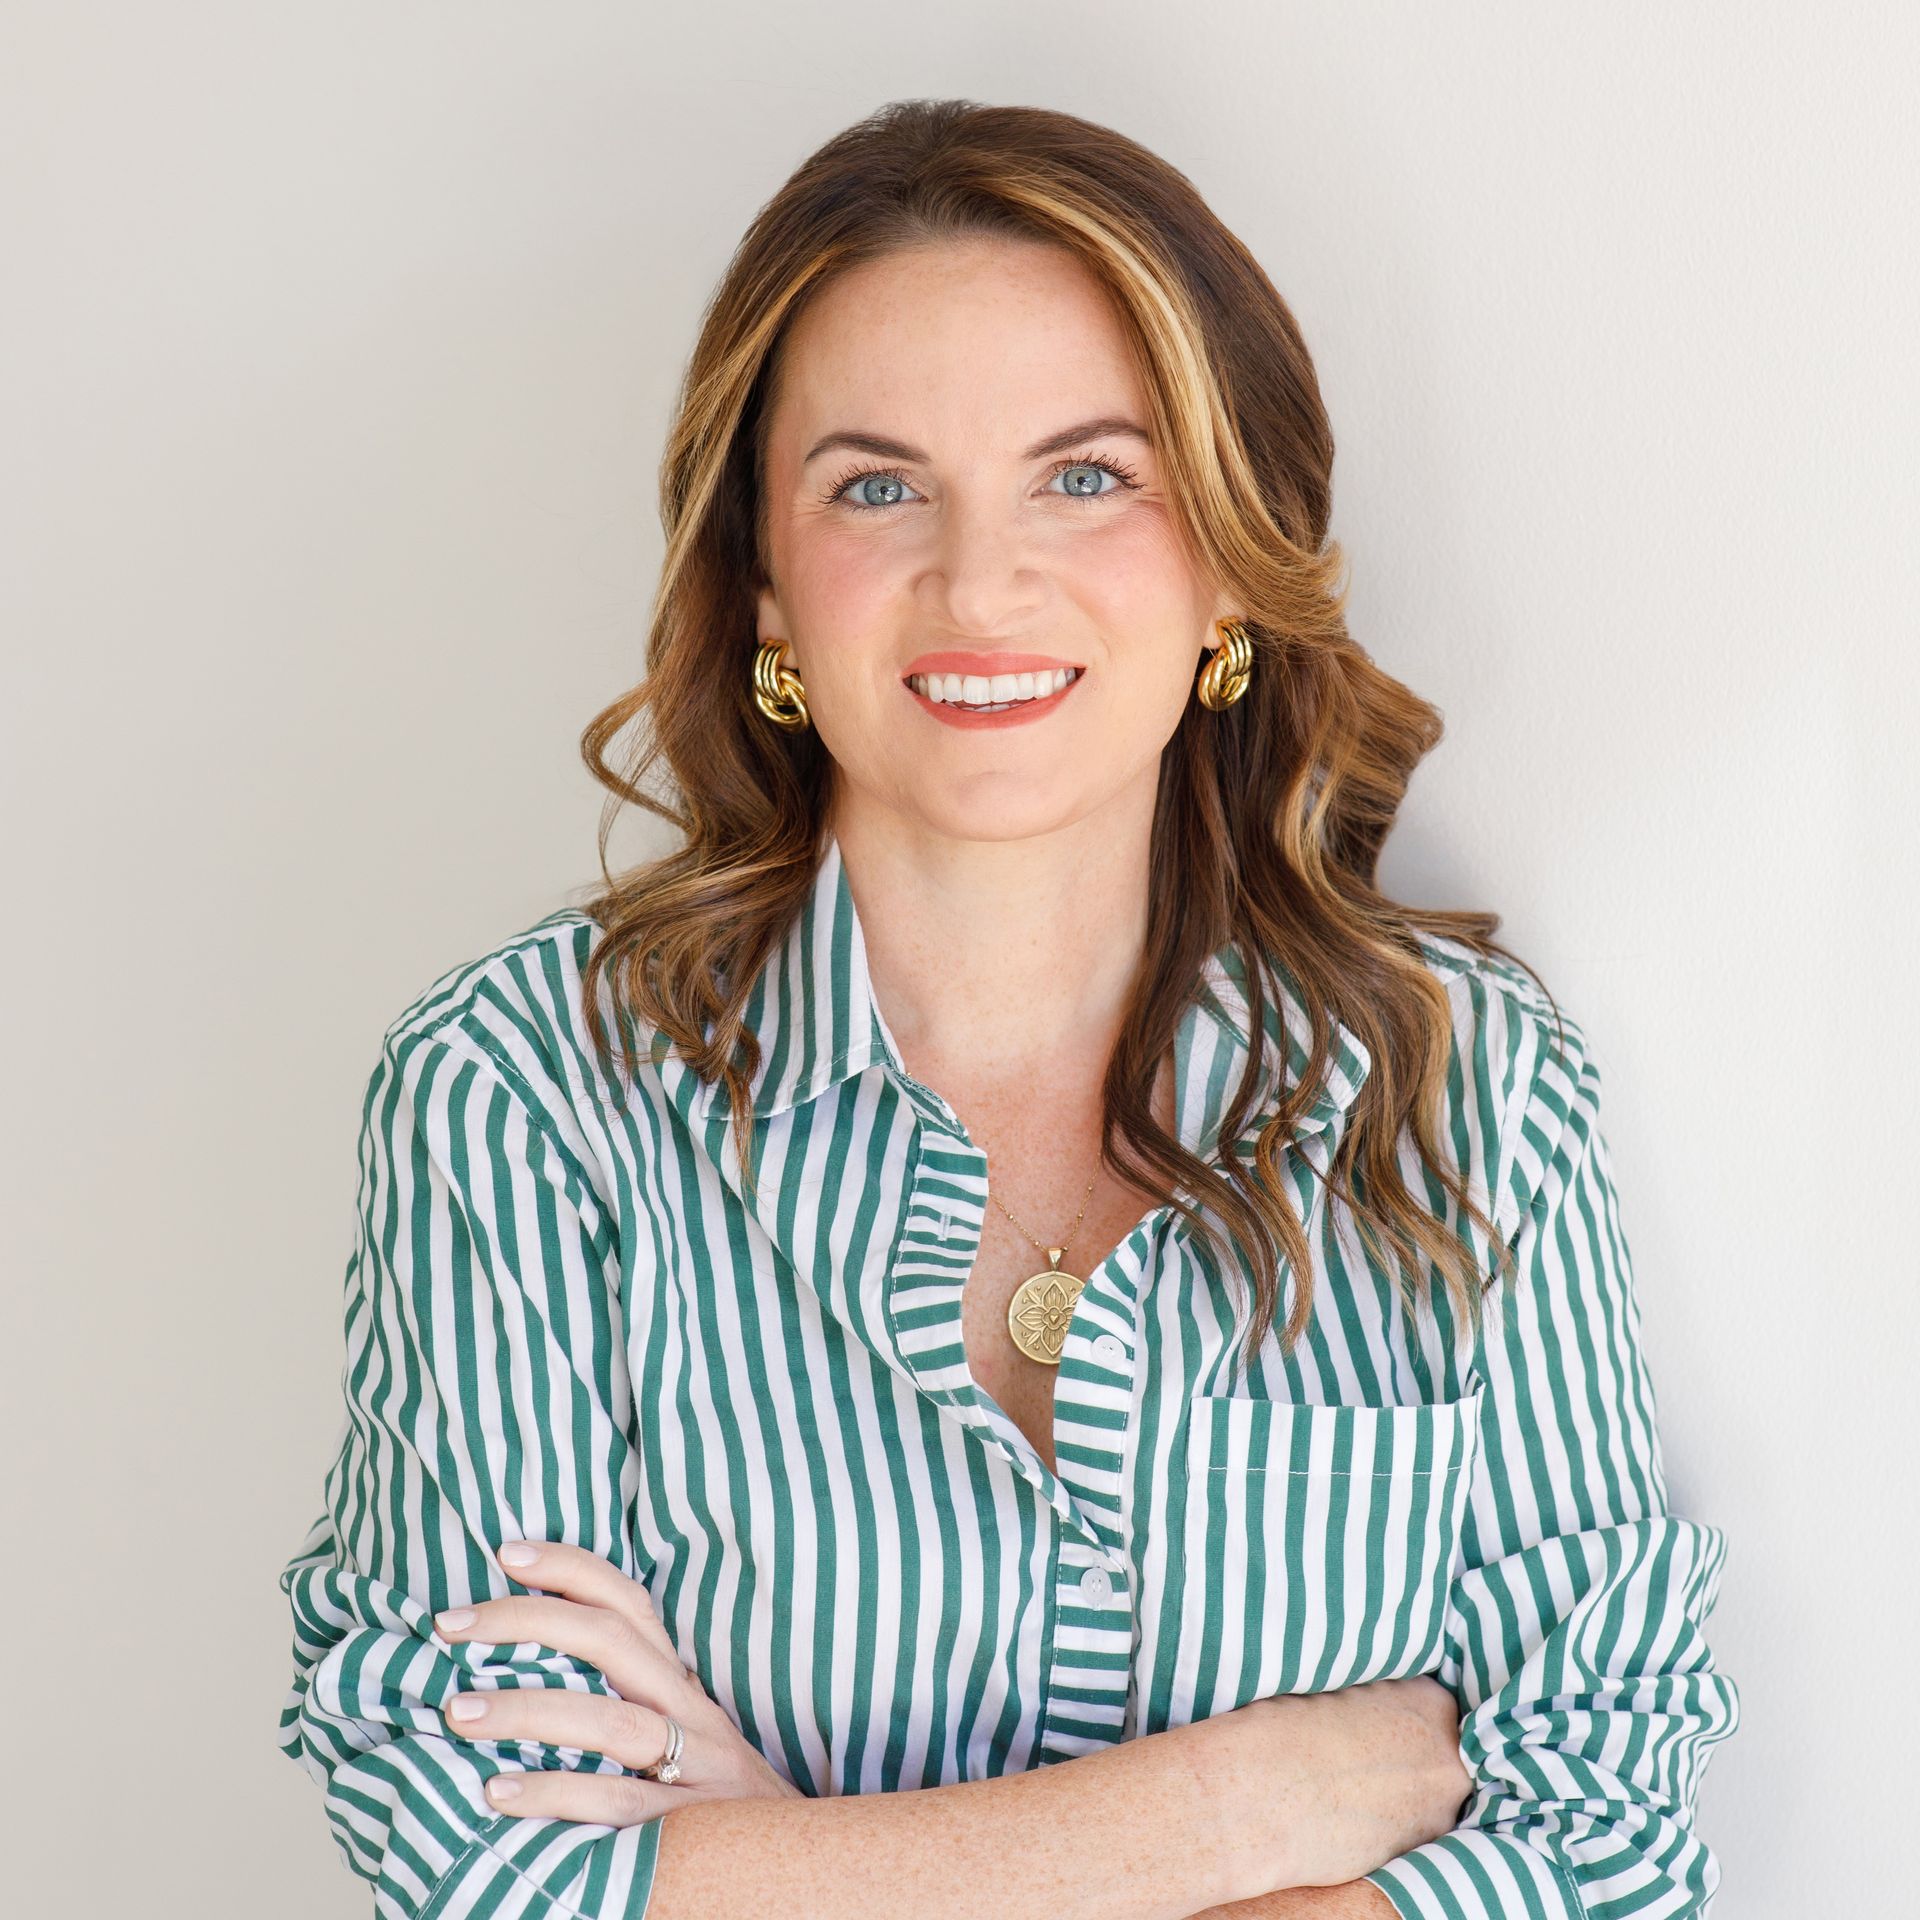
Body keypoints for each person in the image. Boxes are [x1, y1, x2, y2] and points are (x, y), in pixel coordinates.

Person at [275, 98, 1740, 1920]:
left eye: (1089, 475)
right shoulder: (525, 1097)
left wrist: (779, 1862)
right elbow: (483, 1855)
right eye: (876, 486)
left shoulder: (1458, 1084)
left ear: (1226, 565)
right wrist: (1240, 1808)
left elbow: (1605, 1837)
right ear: (764, 595)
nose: (980, 583)